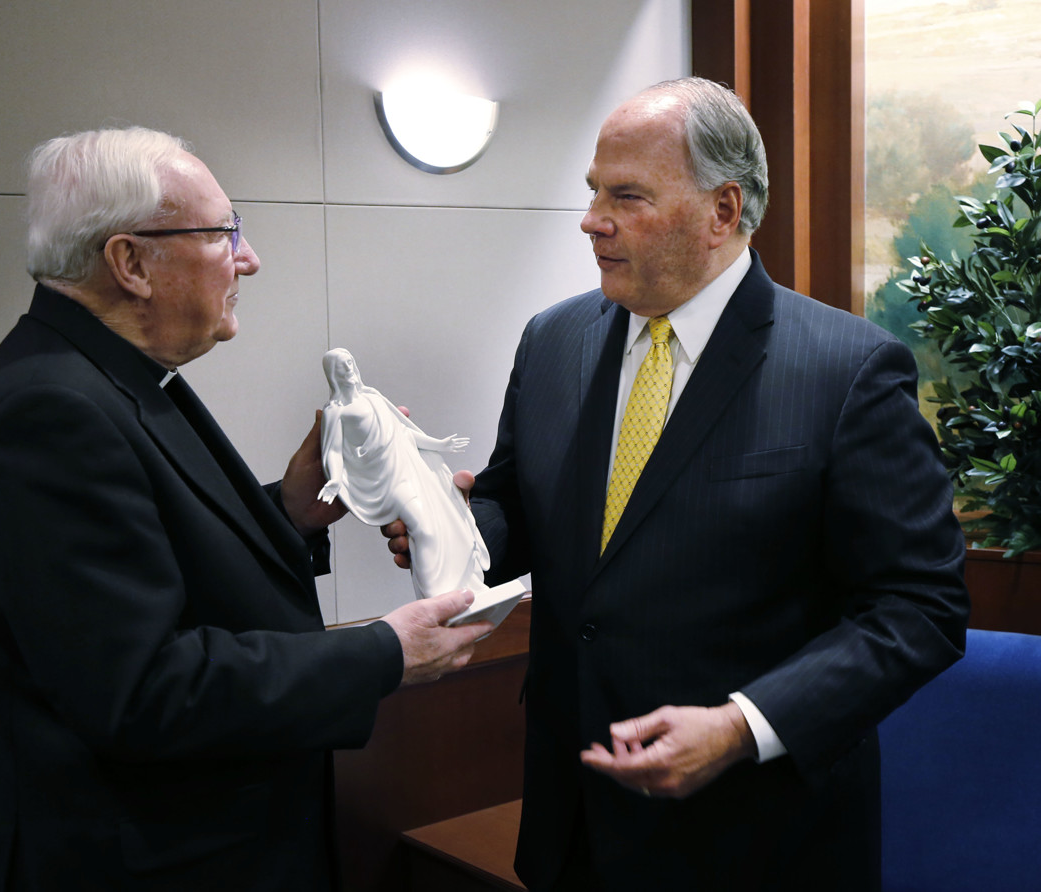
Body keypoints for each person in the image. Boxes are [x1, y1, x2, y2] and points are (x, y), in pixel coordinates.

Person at [383, 78, 969, 890]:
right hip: (572, 820)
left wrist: (740, 726)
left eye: (626, 195)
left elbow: (920, 609)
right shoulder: (553, 341)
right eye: (593, 191)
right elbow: (516, 505)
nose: (592, 219)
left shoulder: (847, 371)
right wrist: (452, 523)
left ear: (722, 212)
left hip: (756, 835)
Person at [0, 126, 490, 892]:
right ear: (130, 263)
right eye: (223, 232)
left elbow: (149, 559)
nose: (248, 257)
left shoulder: (103, 378)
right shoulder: (49, 413)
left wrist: (292, 510)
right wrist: (383, 653)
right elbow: (141, 691)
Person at [318, 347, 490, 599]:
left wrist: (438, 444)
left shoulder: (374, 397)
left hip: (410, 467)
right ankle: (436, 599)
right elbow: (333, 449)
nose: (348, 368)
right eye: (341, 365)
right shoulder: (335, 412)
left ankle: (462, 588)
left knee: (444, 523)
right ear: (332, 373)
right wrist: (334, 478)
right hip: (387, 480)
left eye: (350, 362)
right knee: (424, 530)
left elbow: (404, 433)